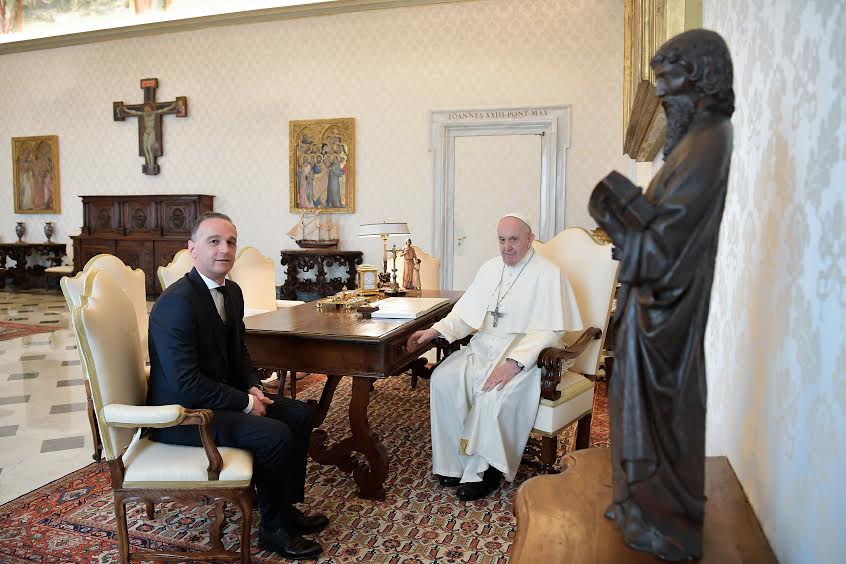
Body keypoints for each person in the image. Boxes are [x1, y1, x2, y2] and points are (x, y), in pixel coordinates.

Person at [588, 29, 735, 561]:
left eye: (669, 81)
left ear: (701, 80)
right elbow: (660, 227)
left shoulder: (709, 141)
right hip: (649, 307)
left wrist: (618, 218)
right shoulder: (688, 144)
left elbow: (670, 245)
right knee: (633, 407)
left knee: (662, 418)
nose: (663, 94)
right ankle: (637, 505)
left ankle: (665, 521)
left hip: (668, 312)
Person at [147, 212, 327, 560]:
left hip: (216, 398)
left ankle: (284, 509)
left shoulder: (232, 292)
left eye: (230, 242)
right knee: (274, 434)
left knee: (300, 415)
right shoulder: (176, 304)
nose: (224, 250)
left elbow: (239, 353)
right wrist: (245, 403)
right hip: (182, 415)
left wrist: (253, 386)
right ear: (193, 249)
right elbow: (186, 384)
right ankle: (272, 530)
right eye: (214, 241)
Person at [406, 213, 583, 501]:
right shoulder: (489, 269)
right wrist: (435, 330)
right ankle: (453, 463)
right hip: (484, 346)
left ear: (530, 239)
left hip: (528, 353)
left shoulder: (549, 274)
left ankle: (486, 470)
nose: (507, 247)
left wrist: (514, 364)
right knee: (443, 378)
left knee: (493, 392)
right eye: (502, 240)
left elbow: (551, 329)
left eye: (514, 239)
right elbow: (465, 315)